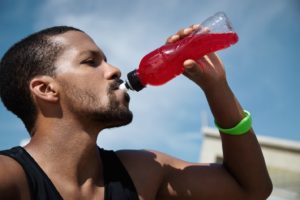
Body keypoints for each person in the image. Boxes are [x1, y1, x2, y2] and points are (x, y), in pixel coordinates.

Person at [0, 25, 272, 200]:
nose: (114, 70)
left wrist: (216, 87)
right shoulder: (10, 178)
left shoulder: (140, 173)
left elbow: (251, 189)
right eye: (90, 62)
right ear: (46, 89)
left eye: (105, 60)